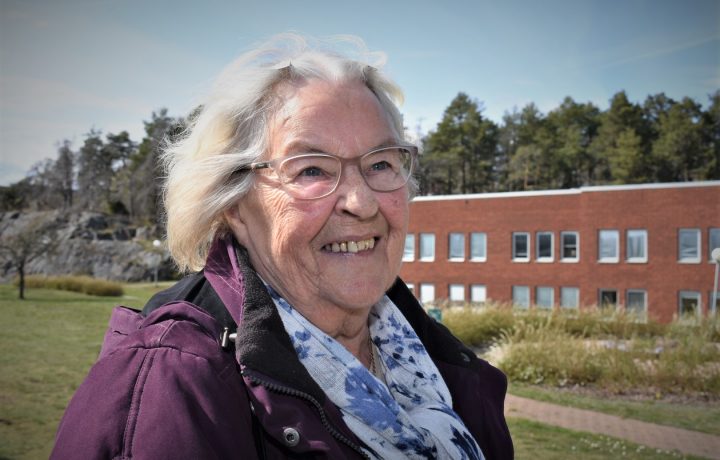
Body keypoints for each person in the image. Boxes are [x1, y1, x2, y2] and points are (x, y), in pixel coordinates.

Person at [51, 34, 513, 459]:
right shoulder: (172, 385)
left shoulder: (426, 350)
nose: (362, 201)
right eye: (311, 169)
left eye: (381, 163)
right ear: (233, 204)